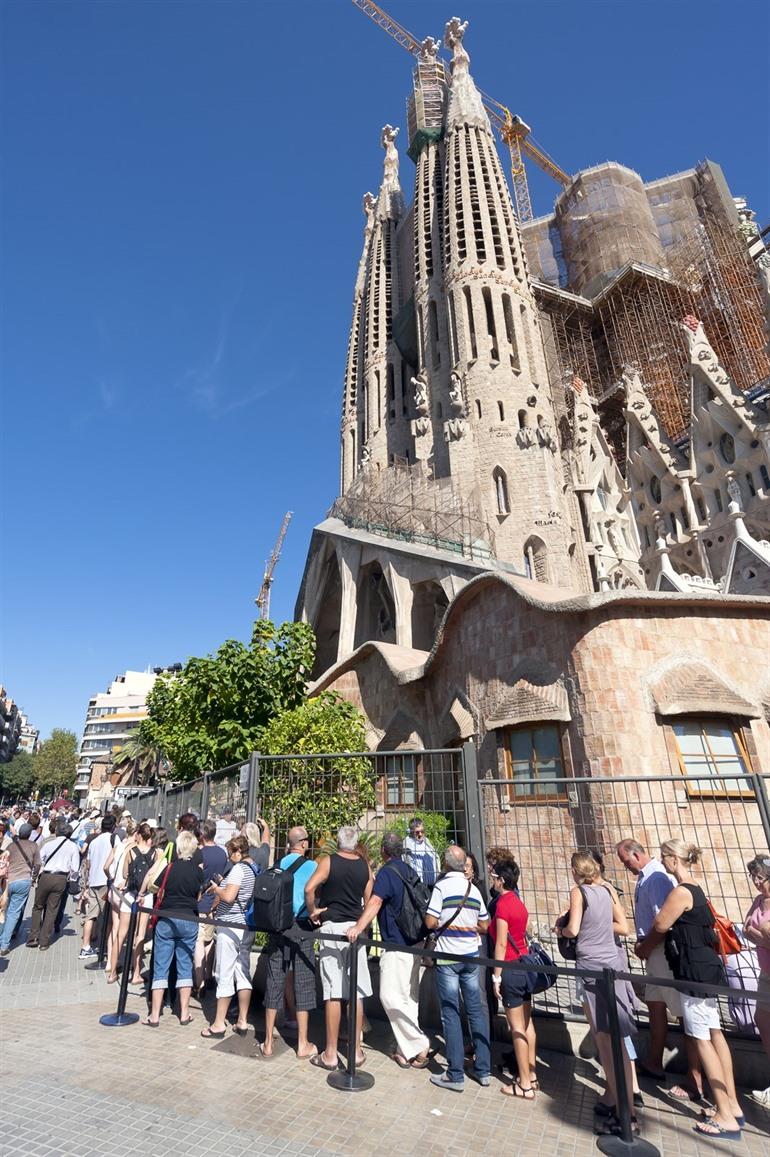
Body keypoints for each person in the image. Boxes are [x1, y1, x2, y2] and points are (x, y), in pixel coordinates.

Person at [636, 839, 743, 1140]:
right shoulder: (696, 888)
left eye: (664, 857)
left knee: (701, 1038)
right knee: (714, 1033)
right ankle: (732, 1104)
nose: (663, 863)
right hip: (706, 968)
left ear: (673, 859)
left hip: (692, 971)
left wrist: (643, 947)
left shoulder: (681, 891)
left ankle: (724, 1115)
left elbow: (660, 924)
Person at [616, 837, 706, 1105]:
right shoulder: (647, 876)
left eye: (625, 861)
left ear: (635, 855)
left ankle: (695, 1078)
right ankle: (655, 1062)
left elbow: (662, 922)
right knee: (655, 1005)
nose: (626, 867)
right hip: (651, 950)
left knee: (681, 1012)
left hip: (661, 951)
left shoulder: (655, 877)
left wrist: (645, 947)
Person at [558, 851, 638, 1137]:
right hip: (612, 964)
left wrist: (562, 927)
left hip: (591, 966)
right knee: (616, 1039)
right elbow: (621, 926)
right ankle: (622, 1101)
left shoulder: (578, 892)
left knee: (604, 1041)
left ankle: (624, 1113)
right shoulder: (606, 889)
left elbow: (574, 928)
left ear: (576, 871)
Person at [346, 831, 431, 1070]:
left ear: (383, 851)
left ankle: (419, 1043)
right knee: (408, 998)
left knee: (390, 996)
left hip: (396, 943)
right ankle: (406, 1052)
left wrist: (358, 926)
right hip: (415, 941)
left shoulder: (386, 873)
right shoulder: (408, 870)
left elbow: (375, 902)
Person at [305, 825, 373, 1071]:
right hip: (355, 928)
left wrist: (313, 911)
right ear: (356, 843)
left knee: (333, 990)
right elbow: (370, 897)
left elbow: (309, 888)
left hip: (332, 926)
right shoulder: (364, 865)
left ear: (338, 841)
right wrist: (363, 924)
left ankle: (331, 1053)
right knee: (355, 990)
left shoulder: (328, 861)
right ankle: (354, 1052)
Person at [425, 845, 491, 1093]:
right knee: (475, 1011)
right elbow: (485, 924)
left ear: (444, 864)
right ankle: (483, 1069)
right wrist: (470, 927)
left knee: (450, 1013)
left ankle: (455, 1074)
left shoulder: (441, 887)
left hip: (448, 957)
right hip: (471, 956)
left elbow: (431, 920)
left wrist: (441, 922)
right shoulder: (472, 889)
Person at [261, 826, 318, 1060]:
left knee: (275, 978)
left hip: (278, 926)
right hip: (302, 926)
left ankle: (267, 1042)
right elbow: (312, 893)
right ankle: (302, 1043)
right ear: (303, 843)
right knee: (303, 981)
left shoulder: (277, 864)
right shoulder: (312, 866)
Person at [141, 830, 203, 1027]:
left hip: (167, 919)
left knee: (161, 966)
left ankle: (155, 1014)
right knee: (185, 965)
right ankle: (184, 1012)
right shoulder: (198, 872)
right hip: (189, 918)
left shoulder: (169, 868)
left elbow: (158, 888)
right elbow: (198, 897)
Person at [201, 835, 257, 1039]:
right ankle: (242, 1020)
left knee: (224, 973)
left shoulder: (238, 869)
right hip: (246, 925)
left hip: (230, 926)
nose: (229, 858)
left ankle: (218, 1024)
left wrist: (217, 889)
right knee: (242, 972)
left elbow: (230, 896)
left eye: (230, 853)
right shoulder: (253, 869)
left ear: (237, 851)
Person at [489, 859, 537, 1099]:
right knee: (528, 1024)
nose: (492, 879)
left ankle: (525, 1084)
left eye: (494, 876)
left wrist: (496, 976)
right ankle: (532, 1073)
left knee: (516, 1027)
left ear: (502, 880)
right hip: (524, 965)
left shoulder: (503, 905)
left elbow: (500, 942)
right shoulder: (520, 903)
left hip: (509, 967)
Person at [108, 822, 157, 986]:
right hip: (146, 896)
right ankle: (136, 973)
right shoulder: (155, 853)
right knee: (140, 935)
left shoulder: (130, 851)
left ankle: (112, 972)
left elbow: (124, 873)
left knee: (121, 934)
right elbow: (153, 877)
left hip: (130, 893)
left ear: (139, 835)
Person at [25, 821, 80, 950]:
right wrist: (72, 881)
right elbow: (75, 868)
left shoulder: (49, 844)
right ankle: (44, 941)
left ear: (57, 832)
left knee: (38, 906)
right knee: (52, 909)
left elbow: (39, 861)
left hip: (46, 876)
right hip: (61, 878)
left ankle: (33, 937)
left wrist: (35, 876)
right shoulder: (73, 847)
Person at [743, 853, 770, 1108]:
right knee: (761, 1019)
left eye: (760, 877)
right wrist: (761, 938)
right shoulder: (759, 900)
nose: (756, 882)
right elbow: (746, 928)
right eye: (753, 876)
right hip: (765, 969)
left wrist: (760, 936)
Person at [80, 815, 122, 960]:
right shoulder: (114, 839)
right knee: (107, 916)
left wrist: (86, 883)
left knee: (90, 915)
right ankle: (104, 946)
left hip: (93, 881)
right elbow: (118, 858)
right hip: (107, 881)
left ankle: (85, 946)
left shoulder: (94, 841)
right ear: (113, 826)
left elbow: (89, 863)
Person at [194, 820, 228, 996]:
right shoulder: (222, 853)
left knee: (199, 942)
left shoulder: (199, 854)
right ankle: (208, 976)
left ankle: (198, 983)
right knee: (210, 940)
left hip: (200, 902)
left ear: (201, 835)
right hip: (215, 902)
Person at [0, 823, 41, 955]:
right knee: (13, 912)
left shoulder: (11, 845)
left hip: (7, 881)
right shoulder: (34, 846)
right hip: (23, 880)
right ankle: (4, 945)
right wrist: (33, 878)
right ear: (30, 834)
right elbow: (38, 864)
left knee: (2, 910)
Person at [403, 817, 439, 886]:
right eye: (417, 832)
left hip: (433, 886)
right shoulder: (407, 844)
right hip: (418, 888)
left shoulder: (427, 841)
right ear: (411, 831)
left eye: (422, 831)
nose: (420, 834)